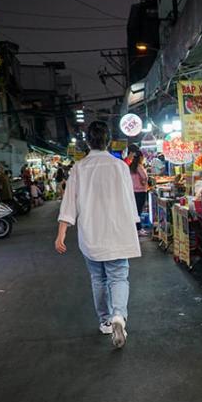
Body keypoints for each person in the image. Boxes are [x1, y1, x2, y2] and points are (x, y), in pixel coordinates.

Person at [55, 121, 141, 349]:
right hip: (118, 231)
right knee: (119, 277)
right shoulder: (120, 166)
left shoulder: (79, 168)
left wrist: (61, 233)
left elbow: (69, 203)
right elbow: (129, 201)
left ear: (87, 142)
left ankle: (105, 321)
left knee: (98, 278)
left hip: (91, 233)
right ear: (109, 141)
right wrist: (133, 222)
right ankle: (118, 316)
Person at [128, 150, 149, 235]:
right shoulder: (139, 166)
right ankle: (139, 229)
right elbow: (144, 177)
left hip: (133, 191)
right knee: (138, 211)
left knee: (135, 210)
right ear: (140, 157)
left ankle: (137, 228)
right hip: (141, 191)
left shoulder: (131, 166)